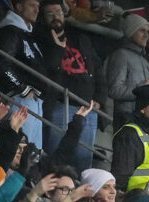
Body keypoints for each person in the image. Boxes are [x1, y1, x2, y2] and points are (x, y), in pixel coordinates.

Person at [37, 0, 102, 169]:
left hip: (87, 107)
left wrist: (100, 98)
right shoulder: (40, 39)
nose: (55, 17)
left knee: (82, 162)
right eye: (50, 14)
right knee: (56, 158)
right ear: (43, 18)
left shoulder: (80, 39)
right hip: (59, 105)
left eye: (58, 12)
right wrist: (57, 49)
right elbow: (48, 69)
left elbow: (98, 70)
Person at [0, 0, 47, 148]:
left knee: (32, 156)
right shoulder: (9, 31)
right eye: (32, 5)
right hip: (19, 100)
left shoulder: (28, 34)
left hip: (34, 101)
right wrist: (22, 88)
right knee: (18, 152)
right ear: (18, 6)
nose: (36, 10)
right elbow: (1, 65)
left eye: (38, 6)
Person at [106, 13, 149, 124]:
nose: (146, 35)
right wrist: (142, 90)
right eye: (142, 30)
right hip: (126, 121)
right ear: (131, 32)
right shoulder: (120, 55)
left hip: (144, 122)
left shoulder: (145, 61)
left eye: (147, 32)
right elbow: (114, 90)